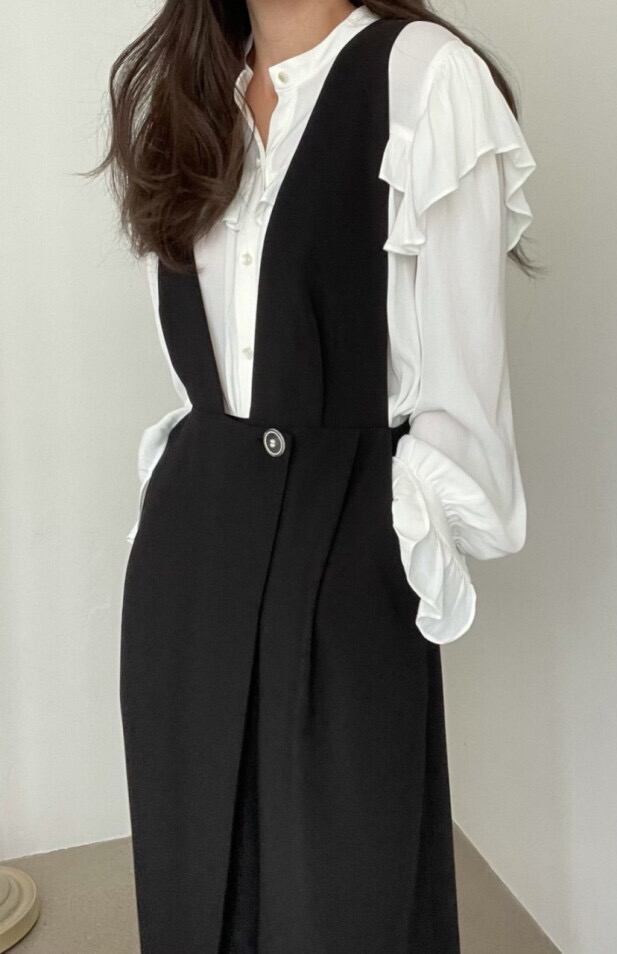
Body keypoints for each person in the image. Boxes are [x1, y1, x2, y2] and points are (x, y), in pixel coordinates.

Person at [92, 1, 536, 950]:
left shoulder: (423, 79)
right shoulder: (188, 97)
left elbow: (463, 420)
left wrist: (375, 563)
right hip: (189, 563)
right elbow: (204, 372)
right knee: (190, 890)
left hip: (346, 550)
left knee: (343, 900)